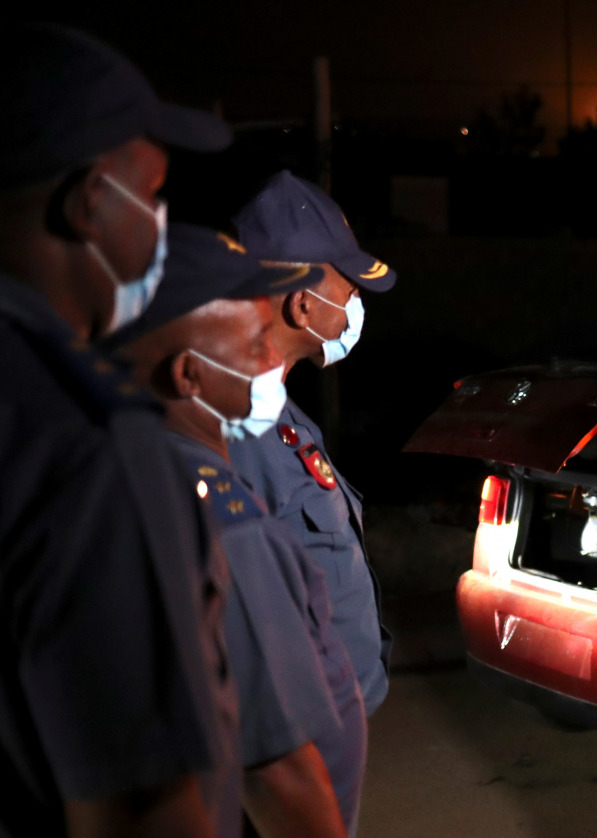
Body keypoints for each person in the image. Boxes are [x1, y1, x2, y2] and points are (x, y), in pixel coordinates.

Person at [0, 23, 241, 838]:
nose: (161, 222)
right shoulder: (84, 443)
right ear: (89, 201)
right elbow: (141, 806)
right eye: (156, 189)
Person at [109, 224, 370, 837]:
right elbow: (279, 771)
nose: (267, 363)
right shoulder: (223, 525)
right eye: (253, 346)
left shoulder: (122, 473)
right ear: (187, 376)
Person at [227, 170, 397, 716]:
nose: (354, 308)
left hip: (335, 717)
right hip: (299, 732)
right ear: (302, 307)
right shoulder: (232, 431)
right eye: (348, 292)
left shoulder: (279, 413)